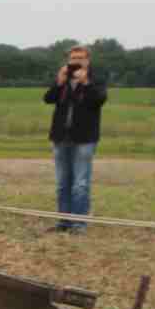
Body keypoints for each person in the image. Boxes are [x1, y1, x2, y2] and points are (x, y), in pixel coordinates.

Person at [42, 46, 107, 232]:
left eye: (80, 58)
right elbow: (48, 99)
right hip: (61, 137)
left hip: (84, 139)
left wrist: (85, 83)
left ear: (88, 60)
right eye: (73, 58)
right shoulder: (63, 79)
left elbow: (99, 100)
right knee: (62, 183)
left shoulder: (96, 79)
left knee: (80, 184)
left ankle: (78, 224)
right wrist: (59, 82)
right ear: (68, 60)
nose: (76, 61)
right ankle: (63, 222)